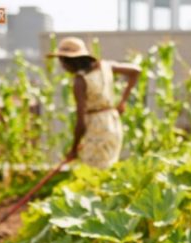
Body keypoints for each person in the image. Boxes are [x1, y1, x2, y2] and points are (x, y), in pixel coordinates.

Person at [48, 37, 141, 169]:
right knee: (107, 170)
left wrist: (73, 149)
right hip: (112, 123)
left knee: (93, 175)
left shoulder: (80, 81)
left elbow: (81, 122)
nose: (62, 66)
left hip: (96, 129)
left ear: (70, 61)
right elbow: (136, 71)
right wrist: (122, 102)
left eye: (62, 62)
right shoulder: (105, 66)